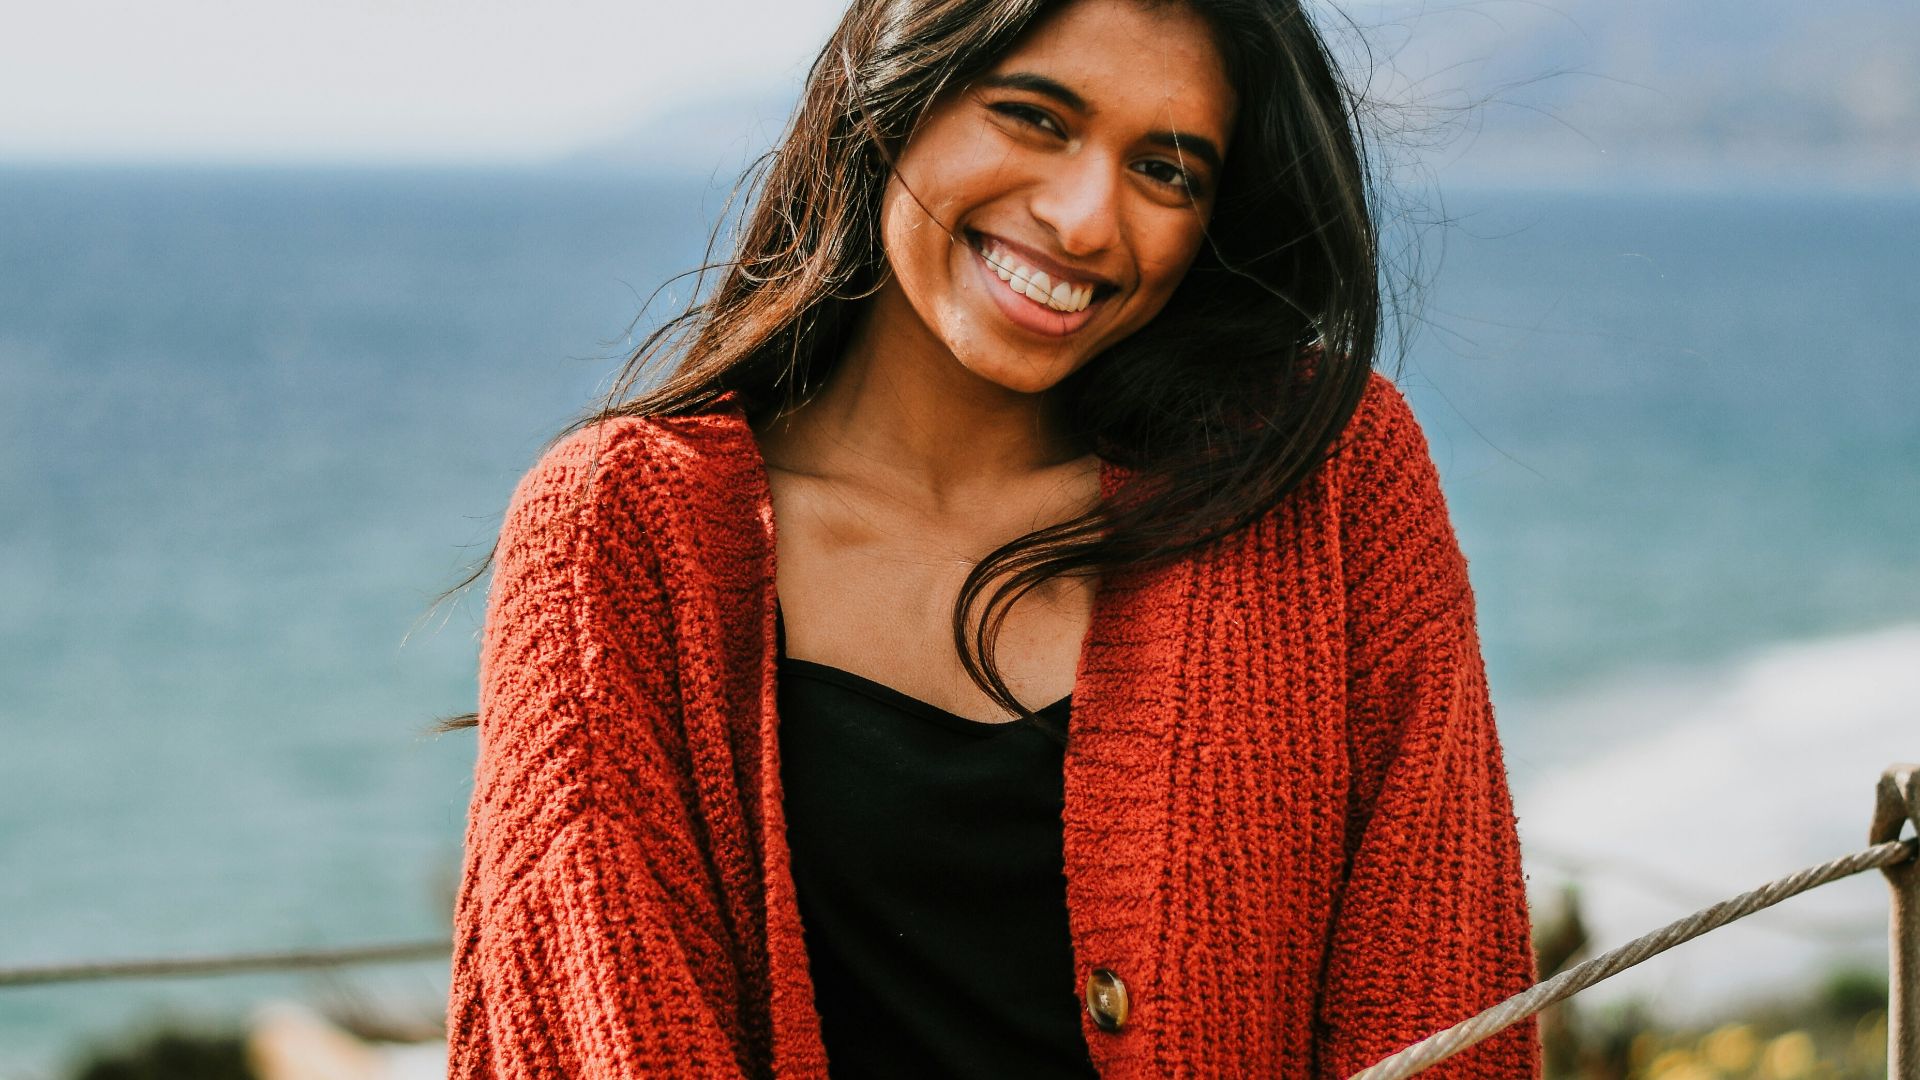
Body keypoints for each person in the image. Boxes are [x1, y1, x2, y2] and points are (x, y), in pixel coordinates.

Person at [443, 0, 1541, 1076]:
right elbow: (608, 1039)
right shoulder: (621, 528)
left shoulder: (1321, 478)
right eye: (1035, 116)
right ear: (891, 103)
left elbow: (1447, 989)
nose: (1083, 218)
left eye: (1166, 171)